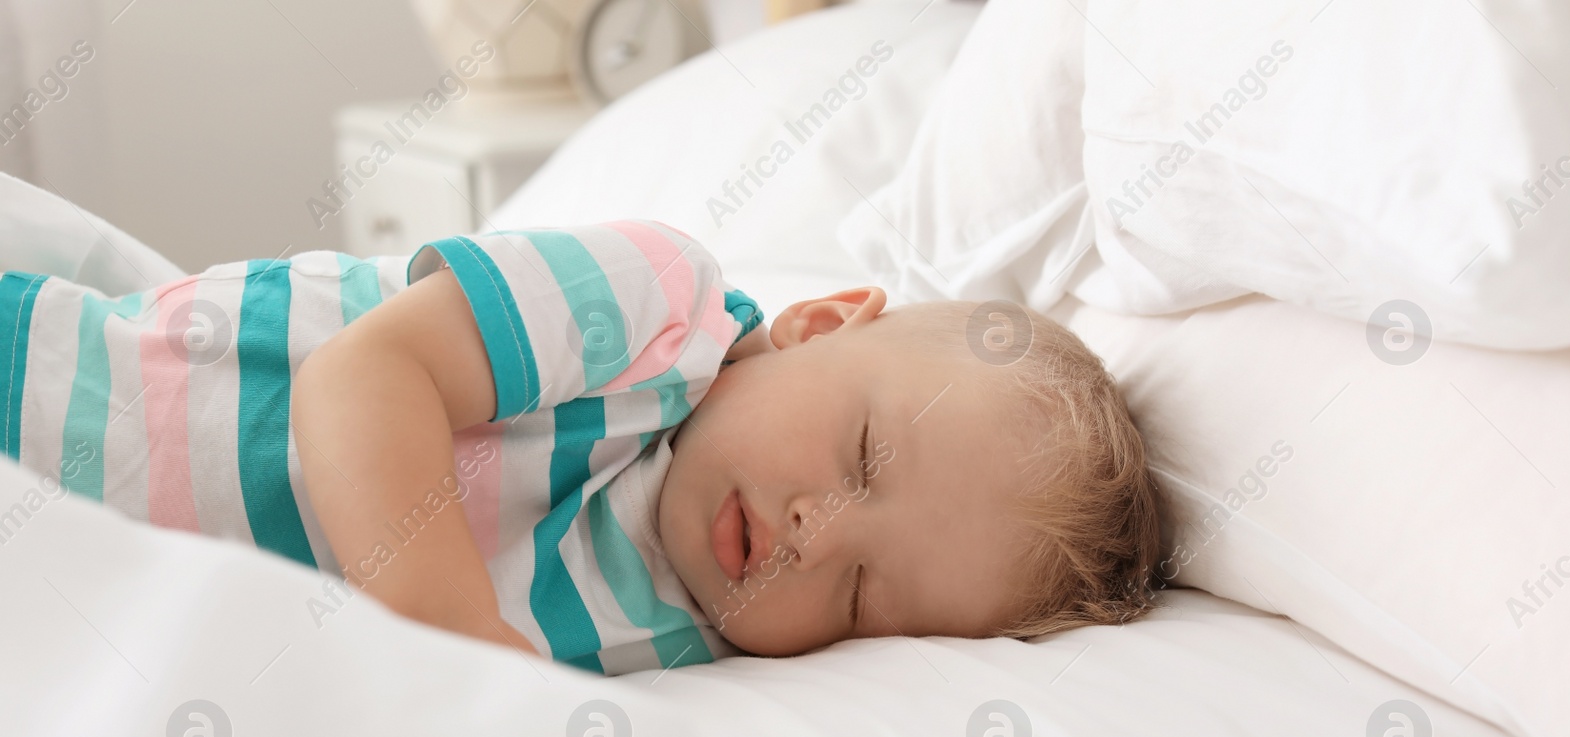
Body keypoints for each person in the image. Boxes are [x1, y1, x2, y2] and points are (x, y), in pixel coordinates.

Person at [1, 221, 1161, 673]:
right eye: (863, 456)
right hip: (61, 401)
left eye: (861, 594)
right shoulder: (658, 308)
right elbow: (363, 379)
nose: (816, 535)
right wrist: (461, 653)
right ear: (815, 326)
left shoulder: (674, 641)